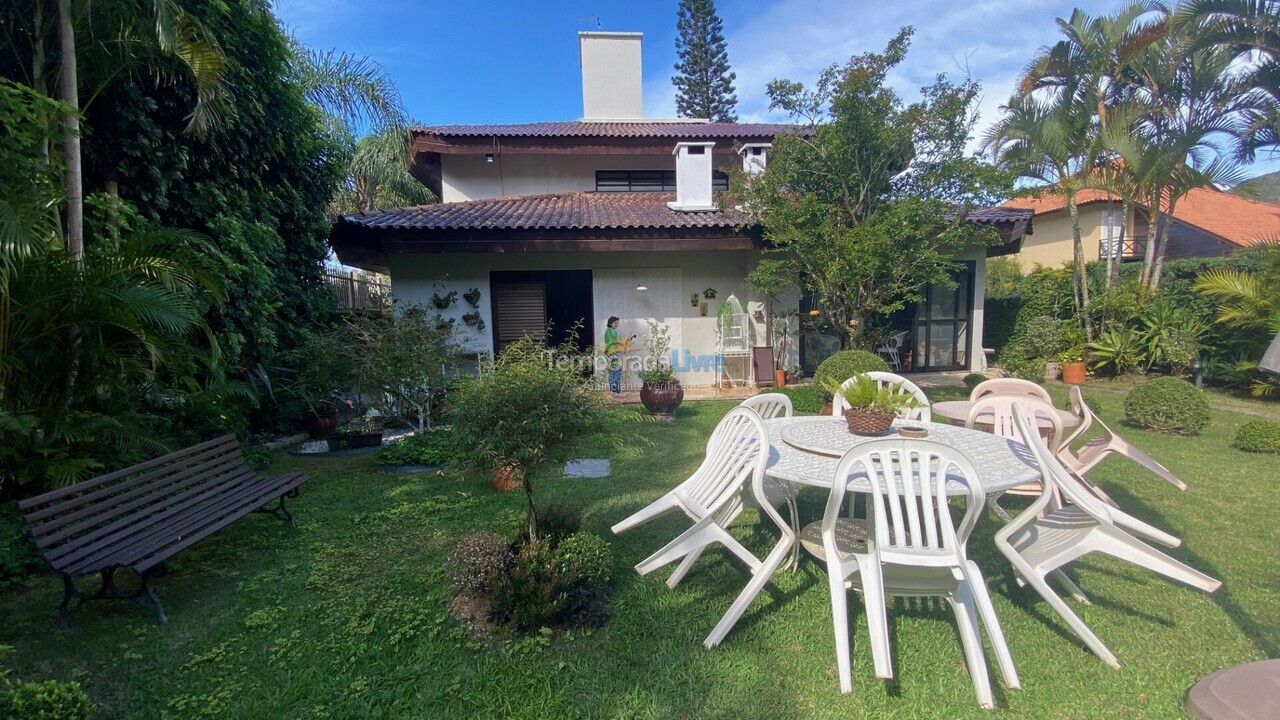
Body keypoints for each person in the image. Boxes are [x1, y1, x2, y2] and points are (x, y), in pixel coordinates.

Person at [603, 317, 634, 395]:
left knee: (612, 372)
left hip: (609, 353)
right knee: (616, 372)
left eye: (618, 323)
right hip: (614, 354)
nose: (617, 325)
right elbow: (616, 342)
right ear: (610, 323)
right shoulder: (612, 331)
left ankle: (612, 390)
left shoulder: (607, 331)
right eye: (615, 323)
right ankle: (616, 391)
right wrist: (624, 343)